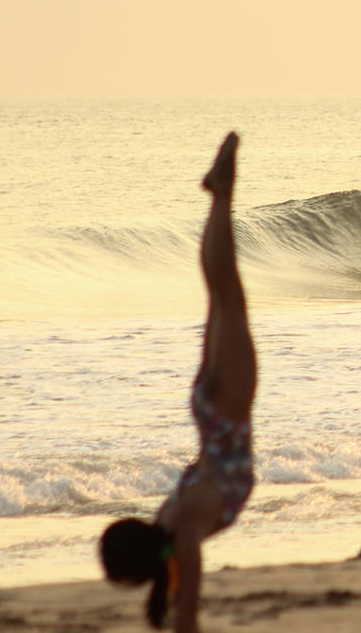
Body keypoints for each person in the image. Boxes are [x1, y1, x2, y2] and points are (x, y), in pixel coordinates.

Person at [99, 132, 257, 632]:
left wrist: (185, 622)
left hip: (226, 413)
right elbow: (178, 580)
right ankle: (219, 196)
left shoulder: (183, 523)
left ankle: (222, 196)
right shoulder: (171, 523)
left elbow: (189, 594)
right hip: (215, 416)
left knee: (227, 292)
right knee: (221, 292)